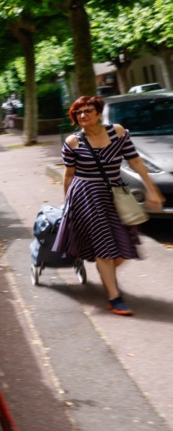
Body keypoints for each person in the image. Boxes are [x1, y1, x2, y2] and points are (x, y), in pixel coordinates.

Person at [54, 95, 165, 315]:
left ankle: (107, 275)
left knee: (123, 249)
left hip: (116, 194)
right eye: (78, 112)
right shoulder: (73, 141)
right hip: (86, 197)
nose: (83, 115)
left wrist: (152, 188)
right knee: (104, 250)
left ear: (98, 113)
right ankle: (114, 297)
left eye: (88, 111)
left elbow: (134, 160)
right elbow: (69, 175)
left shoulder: (118, 132)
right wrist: (67, 203)